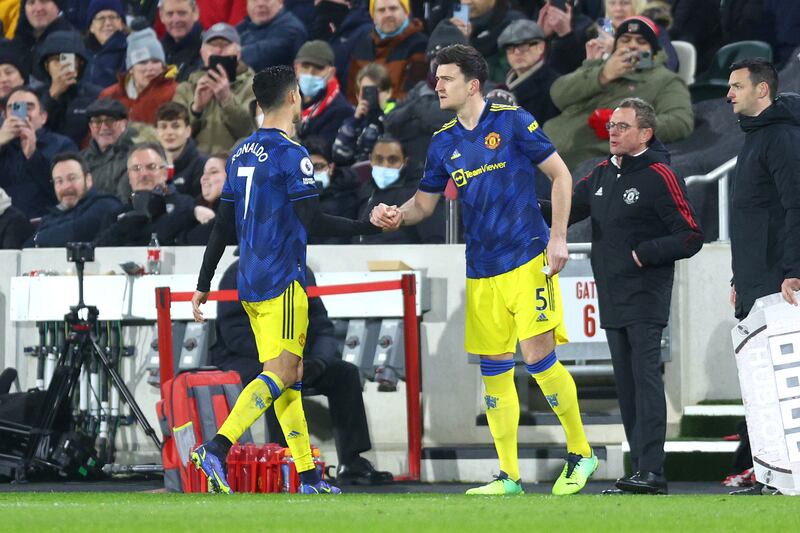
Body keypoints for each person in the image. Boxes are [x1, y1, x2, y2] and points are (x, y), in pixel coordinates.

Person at [371, 44, 597, 495]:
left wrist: (557, 237)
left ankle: (582, 453)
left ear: (473, 84)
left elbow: (561, 176)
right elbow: (423, 205)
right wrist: (397, 214)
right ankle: (509, 476)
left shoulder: (512, 121)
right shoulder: (443, 143)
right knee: (494, 368)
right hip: (481, 269)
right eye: (436, 78)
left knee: (537, 358)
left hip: (529, 256)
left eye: (446, 78)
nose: (437, 85)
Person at [188, 65, 382, 495]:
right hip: (282, 279)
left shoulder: (239, 153)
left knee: (288, 378)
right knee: (279, 374)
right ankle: (217, 448)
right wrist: (364, 225)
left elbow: (223, 225)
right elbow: (310, 219)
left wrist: (204, 281)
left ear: (258, 104)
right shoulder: (293, 155)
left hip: (248, 282)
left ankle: (308, 477)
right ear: (294, 96)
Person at [562, 97, 702, 494]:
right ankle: (640, 468)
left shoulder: (660, 175)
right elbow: (566, 210)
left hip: (644, 294)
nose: (613, 132)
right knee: (625, 384)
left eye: (622, 126)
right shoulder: (601, 174)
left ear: (646, 133)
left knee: (645, 380)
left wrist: (646, 252)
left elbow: (691, 235)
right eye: (611, 126)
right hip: (611, 293)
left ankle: (653, 470)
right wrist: (519, 206)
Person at [212, 261, 395, 485]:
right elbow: (235, 334)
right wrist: (281, 358)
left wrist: (319, 361)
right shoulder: (238, 273)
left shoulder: (299, 269)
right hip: (249, 356)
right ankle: (286, 463)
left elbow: (321, 325)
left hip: (298, 355)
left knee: (345, 373)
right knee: (277, 377)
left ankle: (352, 462)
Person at [727, 61, 800, 496]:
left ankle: (788, 476)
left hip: (780, 282)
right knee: (761, 389)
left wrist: (795, 270)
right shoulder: (755, 138)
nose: (729, 94)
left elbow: (796, 205)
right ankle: (771, 476)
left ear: (763, 89)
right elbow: (752, 217)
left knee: (784, 385)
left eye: (737, 86)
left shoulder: (783, 137)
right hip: (756, 279)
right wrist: (739, 275)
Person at [543, 15, 692, 170]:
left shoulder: (665, 79)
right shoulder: (600, 66)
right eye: (625, 40)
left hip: (587, 164)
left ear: (653, 51)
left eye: (641, 42)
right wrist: (602, 75)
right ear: (616, 46)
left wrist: (627, 125)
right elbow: (558, 95)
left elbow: (680, 122)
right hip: (545, 149)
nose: (633, 46)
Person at [172, 22, 256, 155]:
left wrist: (227, 99)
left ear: (238, 51)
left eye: (225, 45)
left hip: (235, 165)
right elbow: (173, 136)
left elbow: (251, 132)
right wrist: (196, 110)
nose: (218, 50)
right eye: (213, 45)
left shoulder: (255, 86)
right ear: (202, 52)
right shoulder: (186, 89)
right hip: (196, 168)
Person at [94, 142, 195, 246]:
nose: (143, 174)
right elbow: (98, 252)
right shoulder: (116, 217)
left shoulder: (185, 206)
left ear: (165, 173)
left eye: (151, 167)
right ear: (129, 176)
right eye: (136, 168)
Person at [0, 86, 76, 218]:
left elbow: (69, 191)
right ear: (5, 117)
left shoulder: (62, 145)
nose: (22, 114)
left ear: (43, 117)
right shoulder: (3, 147)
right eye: (14, 108)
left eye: (29, 107)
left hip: (46, 225)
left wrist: (33, 155)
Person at [356, 135, 445, 245]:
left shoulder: (420, 190)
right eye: (379, 159)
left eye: (392, 160)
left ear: (405, 161)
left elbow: (435, 241)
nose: (385, 165)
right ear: (370, 160)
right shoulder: (365, 190)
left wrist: (398, 215)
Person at [27, 151, 121, 247]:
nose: (66, 187)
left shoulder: (106, 204)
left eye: (72, 178)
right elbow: (26, 248)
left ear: (88, 180)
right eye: (59, 181)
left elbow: (77, 233)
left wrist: (40, 237)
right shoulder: (50, 217)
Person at [345, 0, 428, 101]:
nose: (388, 14)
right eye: (381, 10)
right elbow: (352, 95)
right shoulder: (361, 45)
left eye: (393, 8)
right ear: (373, 16)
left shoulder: (420, 45)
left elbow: (412, 96)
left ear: (406, 12)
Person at [36, 30, 103, 147]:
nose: (63, 66)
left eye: (67, 59)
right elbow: (29, 131)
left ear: (80, 63)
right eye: (57, 59)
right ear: (46, 66)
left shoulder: (97, 95)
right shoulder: (31, 95)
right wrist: (52, 95)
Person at [99, 28, 177, 125]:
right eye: (142, 63)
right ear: (131, 69)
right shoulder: (109, 95)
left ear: (163, 66)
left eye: (156, 61)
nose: (150, 68)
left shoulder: (175, 93)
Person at [332, 62, 396, 166]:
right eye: (367, 91)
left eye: (377, 90)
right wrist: (355, 122)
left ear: (389, 92)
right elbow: (338, 155)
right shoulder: (352, 121)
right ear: (358, 95)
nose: (372, 96)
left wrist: (379, 120)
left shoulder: (397, 117)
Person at [497, 19, 559, 124]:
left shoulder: (553, 85)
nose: (516, 52)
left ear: (540, 47)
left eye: (523, 46)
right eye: (510, 48)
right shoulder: (504, 85)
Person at [80, 98, 142, 200]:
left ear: (124, 123)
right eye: (97, 122)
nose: (104, 127)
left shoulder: (136, 157)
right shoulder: (80, 160)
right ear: (91, 127)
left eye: (110, 121)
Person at [294, 40, 353, 146]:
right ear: (296, 68)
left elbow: (322, 150)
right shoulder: (285, 100)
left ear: (331, 73)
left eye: (318, 68)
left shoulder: (340, 110)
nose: (310, 73)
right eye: (305, 66)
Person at [449, 0, 524, 83]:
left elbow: (506, 75)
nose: (467, 2)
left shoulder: (514, 24)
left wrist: (466, 44)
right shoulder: (452, 23)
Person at [304, 135, 361, 245]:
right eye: (307, 168)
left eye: (318, 166)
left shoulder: (348, 195)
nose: (312, 173)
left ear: (331, 167)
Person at [152, 101, 207, 197]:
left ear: (188, 131)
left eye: (175, 126)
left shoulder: (203, 165)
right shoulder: (147, 164)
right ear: (156, 133)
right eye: (163, 126)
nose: (169, 132)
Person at [237, 0, 308, 72]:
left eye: (266, 0)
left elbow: (265, 54)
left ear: (280, 2)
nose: (260, 4)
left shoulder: (291, 27)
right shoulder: (247, 25)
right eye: (254, 0)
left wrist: (237, 53)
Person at [179, 152, 230, 245]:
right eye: (204, 173)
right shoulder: (194, 206)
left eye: (213, 172)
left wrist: (183, 236)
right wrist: (192, 213)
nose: (204, 178)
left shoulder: (238, 209)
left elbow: (203, 237)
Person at [83, 0, 128, 90]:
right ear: (91, 27)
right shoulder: (81, 54)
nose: (107, 23)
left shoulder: (129, 53)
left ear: (121, 24)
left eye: (112, 17)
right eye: (101, 18)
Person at [159, 0, 204, 82]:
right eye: (170, 14)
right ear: (161, 16)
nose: (176, 20)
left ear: (195, 13)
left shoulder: (207, 49)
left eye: (182, 13)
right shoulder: (157, 51)